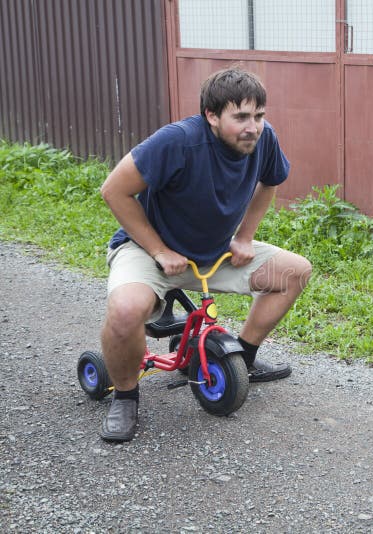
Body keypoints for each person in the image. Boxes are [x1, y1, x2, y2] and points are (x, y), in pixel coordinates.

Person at [98, 67, 312, 442]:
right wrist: (159, 250)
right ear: (211, 116)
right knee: (127, 310)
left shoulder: (264, 140)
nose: (254, 127)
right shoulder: (177, 141)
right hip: (148, 252)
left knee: (294, 272)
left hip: (211, 254)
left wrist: (245, 237)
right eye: (241, 117)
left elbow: (270, 182)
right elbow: (114, 190)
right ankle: (126, 396)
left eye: (259, 116)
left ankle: (241, 360)